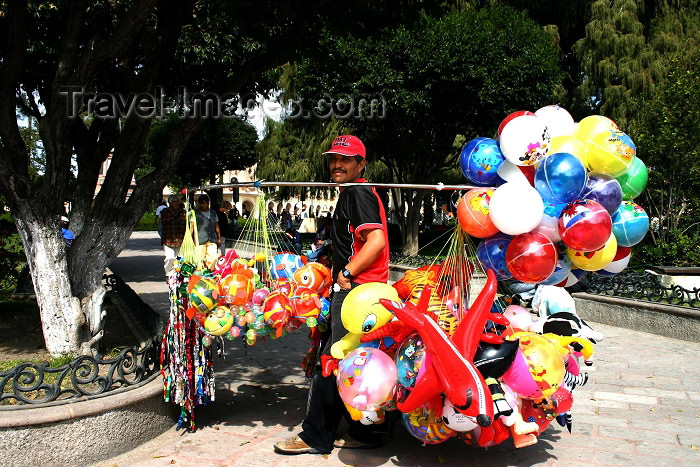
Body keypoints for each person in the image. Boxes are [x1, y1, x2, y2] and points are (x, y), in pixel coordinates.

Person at [274, 135, 390, 455]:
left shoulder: (358, 192)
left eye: (346, 159)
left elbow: (376, 240)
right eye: (333, 159)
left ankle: (316, 436)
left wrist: (347, 273)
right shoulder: (355, 192)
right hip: (366, 291)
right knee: (357, 361)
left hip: (356, 291)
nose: (337, 164)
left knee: (332, 359)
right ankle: (367, 431)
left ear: (361, 164)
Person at [192, 194, 221, 270]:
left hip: (212, 239)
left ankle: (209, 272)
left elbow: (216, 225)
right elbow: (192, 227)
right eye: (200, 203)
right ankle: (200, 275)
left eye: (203, 203)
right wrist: (193, 240)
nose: (202, 205)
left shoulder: (213, 213)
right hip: (200, 239)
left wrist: (219, 238)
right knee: (199, 260)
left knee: (213, 258)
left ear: (208, 203)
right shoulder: (195, 213)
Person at [160, 195, 187, 274]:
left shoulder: (183, 212)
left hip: (180, 240)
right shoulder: (165, 211)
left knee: (180, 259)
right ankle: (169, 274)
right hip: (168, 240)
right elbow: (166, 220)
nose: (176, 203)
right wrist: (177, 211)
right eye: (174, 202)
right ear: (170, 203)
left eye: (177, 201)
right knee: (170, 258)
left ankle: (178, 275)